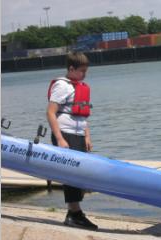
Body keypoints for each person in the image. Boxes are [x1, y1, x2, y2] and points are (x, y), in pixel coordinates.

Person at [46, 52, 97, 229]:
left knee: (80, 173)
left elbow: (82, 116)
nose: (85, 74)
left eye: (86, 71)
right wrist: (60, 139)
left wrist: (87, 136)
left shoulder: (80, 86)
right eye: (82, 71)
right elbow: (51, 112)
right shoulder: (62, 86)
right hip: (65, 134)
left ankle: (74, 213)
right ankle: (75, 214)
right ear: (71, 69)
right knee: (71, 173)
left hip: (79, 134)